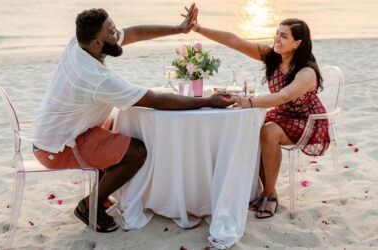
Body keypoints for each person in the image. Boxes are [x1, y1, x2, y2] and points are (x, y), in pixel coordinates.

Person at [32, 4, 233, 232]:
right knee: (136, 152)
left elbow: (135, 33)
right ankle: (89, 206)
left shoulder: (78, 44)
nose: (117, 34)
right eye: (112, 32)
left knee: (121, 129)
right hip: (57, 148)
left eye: (115, 27)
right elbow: (156, 101)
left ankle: (108, 191)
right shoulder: (96, 78)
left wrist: (180, 29)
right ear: (97, 43)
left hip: (61, 132)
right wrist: (207, 101)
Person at [186, 8, 330, 218]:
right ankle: (256, 190)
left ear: (297, 43)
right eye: (277, 33)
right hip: (284, 114)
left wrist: (250, 102)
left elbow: (282, 97)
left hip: (307, 120)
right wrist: (198, 29)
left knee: (268, 132)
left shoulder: (306, 72)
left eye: (284, 36)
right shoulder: (273, 56)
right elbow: (235, 41)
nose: (276, 38)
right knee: (250, 128)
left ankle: (270, 195)